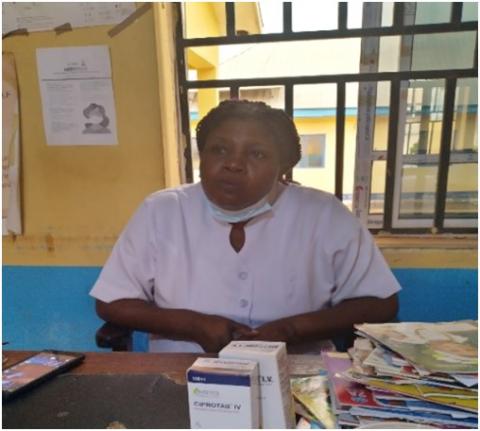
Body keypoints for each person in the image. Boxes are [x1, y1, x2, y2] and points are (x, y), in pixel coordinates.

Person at [90, 99, 400, 353]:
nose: (233, 164)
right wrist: (192, 325)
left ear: (283, 167)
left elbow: (380, 303)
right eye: (219, 150)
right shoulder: (161, 210)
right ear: (201, 156)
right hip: (184, 372)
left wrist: (289, 330)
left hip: (299, 375)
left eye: (257, 154)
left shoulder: (324, 214)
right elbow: (112, 302)